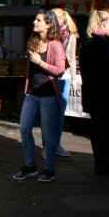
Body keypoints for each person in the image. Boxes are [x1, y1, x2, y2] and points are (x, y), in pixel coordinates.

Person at [12, 10, 66, 183]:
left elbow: (60, 70)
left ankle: (49, 169)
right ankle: (30, 166)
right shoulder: (33, 41)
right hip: (32, 94)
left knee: (48, 135)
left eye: (38, 20)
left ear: (49, 24)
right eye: (35, 19)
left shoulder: (56, 44)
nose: (34, 22)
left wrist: (40, 62)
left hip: (48, 95)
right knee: (24, 128)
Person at [79, 9, 109, 178]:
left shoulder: (88, 43)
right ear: (102, 23)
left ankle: (101, 164)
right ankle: (105, 164)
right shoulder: (107, 43)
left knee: (99, 132)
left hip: (94, 95)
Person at [51, 8, 78, 158]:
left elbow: (72, 57)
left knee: (60, 113)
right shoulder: (50, 33)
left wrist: (73, 78)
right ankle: (49, 145)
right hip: (50, 76)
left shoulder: (70, 34)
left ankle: (56, 144)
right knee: (49, 112)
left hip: (64, 76)